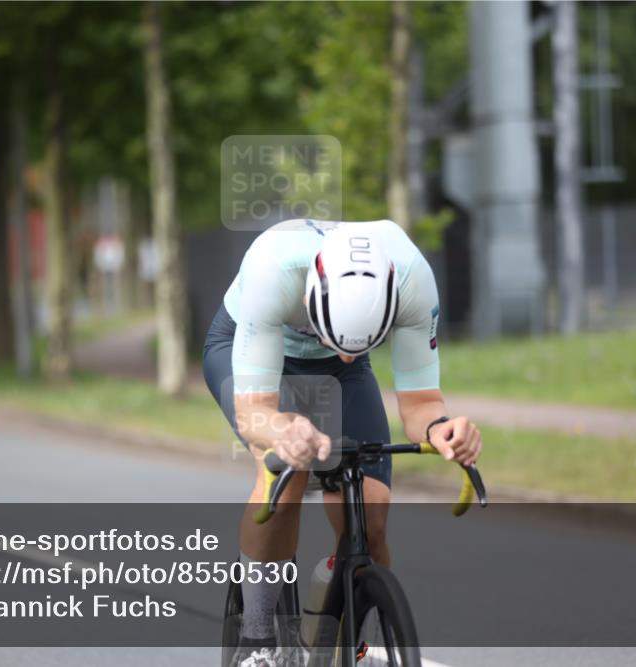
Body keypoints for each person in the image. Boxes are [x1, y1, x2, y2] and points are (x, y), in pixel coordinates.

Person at [202, 219, 483, 667]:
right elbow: (253, 412)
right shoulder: (271, 269)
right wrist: (283, 431)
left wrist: (441, 430)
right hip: (248, 349)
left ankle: (331, 631)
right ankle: (255, 641)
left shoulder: (411, 276)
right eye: (345, 343)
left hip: (339, 373)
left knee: (371, 515)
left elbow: (421, 403)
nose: (353, 352)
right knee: (286, 476)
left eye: (364, 344)